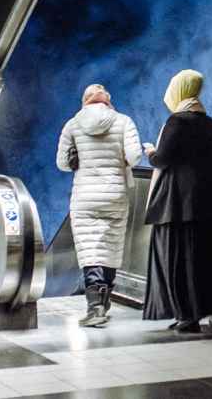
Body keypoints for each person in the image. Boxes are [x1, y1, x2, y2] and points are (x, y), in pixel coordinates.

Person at [142, 69, 212, 332]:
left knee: (179, 259)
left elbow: (163, 160)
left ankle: (186, 314)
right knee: (206, 259)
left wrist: (151, 152)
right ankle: (202, 310)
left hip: (179, 204)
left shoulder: (176, 122)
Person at [55, 83, 142, 328]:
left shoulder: (73, 124)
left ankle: (95, 307)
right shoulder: (123, 121)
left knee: (90, 249)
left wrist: (77, 158)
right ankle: (104, 301)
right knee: (110, 246)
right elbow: (135, 157)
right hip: (114, 194)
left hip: (85, 197)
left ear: (85, 101)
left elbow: (62, 163)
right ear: (107, 100)